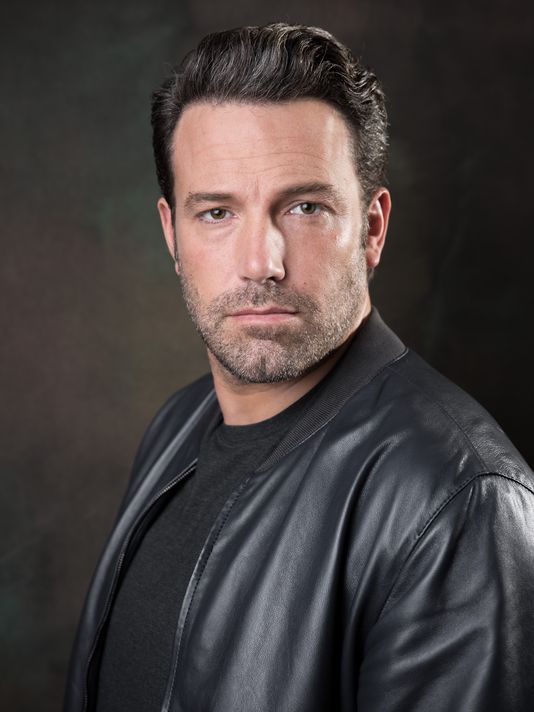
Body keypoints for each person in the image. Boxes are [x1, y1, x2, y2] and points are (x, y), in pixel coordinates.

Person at [64, 23, 534, 712]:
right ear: (172, 233)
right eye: (217, 212)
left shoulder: (460, 500)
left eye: (306, 207)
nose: (262, 262)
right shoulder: (176, 425)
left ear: (372, 228)